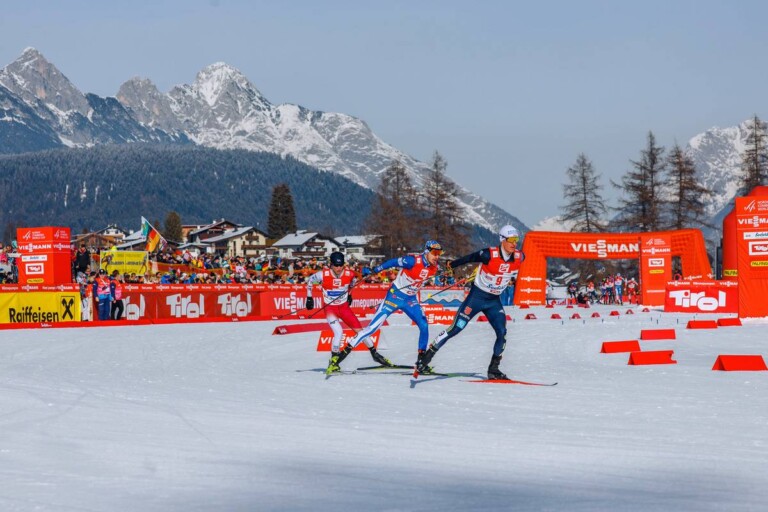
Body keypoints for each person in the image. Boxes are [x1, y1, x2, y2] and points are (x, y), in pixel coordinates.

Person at [415, 225, 525, 380]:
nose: (514, 243)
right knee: (455, 329)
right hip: (476, 298)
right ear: (502, 240)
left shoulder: (520, 256)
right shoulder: (488, 254)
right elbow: (470, 258)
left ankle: (494, 369)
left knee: (502, 333)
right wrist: (451, 265)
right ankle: (426, 358)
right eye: (511, 240)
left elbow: (512, 269)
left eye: (516, 240)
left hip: (494, 301)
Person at [328, 240, 444, 373]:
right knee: (371, 328)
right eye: (435, 253)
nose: (437, 256)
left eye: (439, 253)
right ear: (427, 252)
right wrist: (376, 270)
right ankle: (338, 358)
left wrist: (442, 275)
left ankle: (421, 361)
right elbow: (392, 262)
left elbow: (441, 272)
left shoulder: (434, 267)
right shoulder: (412, 261)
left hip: (410, 300)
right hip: (394, 297)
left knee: (424, 325)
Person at [305, 251, 393, 374]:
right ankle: (334, 361)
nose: (338, 268)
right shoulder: (322, 275)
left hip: (344, 308)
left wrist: (349, 295)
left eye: (340, 265)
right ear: (331, 264)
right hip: (330, 309)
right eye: (336, 265)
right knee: (338, 332)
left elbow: (352, 283)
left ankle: (375, 354)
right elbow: (309, 281)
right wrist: (309, 298)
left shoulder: (349, 274)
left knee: (361, 331)